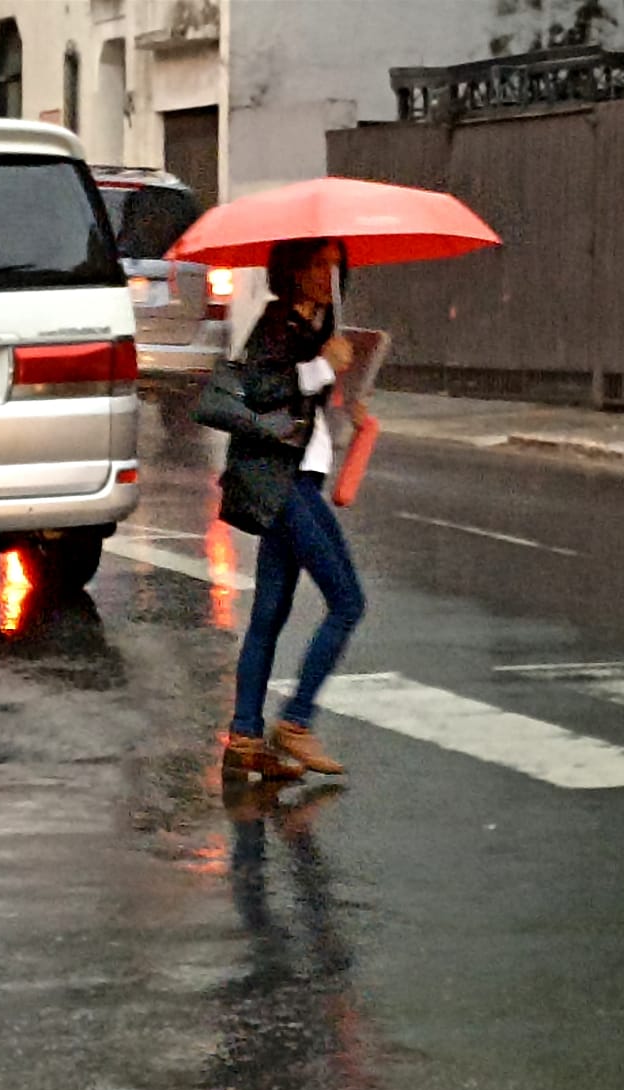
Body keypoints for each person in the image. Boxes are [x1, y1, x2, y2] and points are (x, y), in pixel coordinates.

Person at [220, 237, 366, 780]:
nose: (329, 274)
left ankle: (244, 738)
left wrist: (349, 395)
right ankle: (296, 722)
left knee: (268, 616)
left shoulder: (316, 329)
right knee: (348, 601)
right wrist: (323, 368)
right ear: (294, 269)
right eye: (318, 263)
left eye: (335, 264)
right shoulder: (277, 325)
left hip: (300, 477)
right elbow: (262, 389)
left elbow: (309, 409)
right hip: (285, 484)